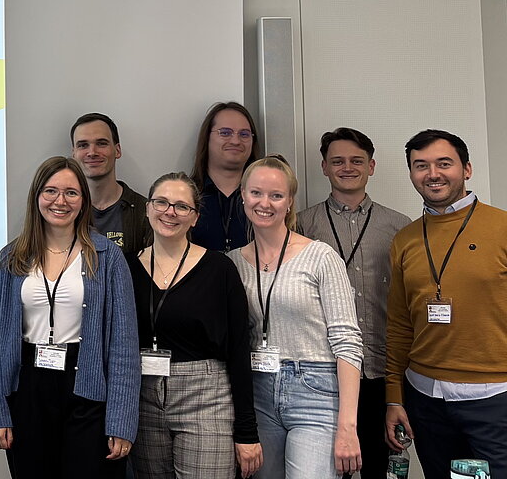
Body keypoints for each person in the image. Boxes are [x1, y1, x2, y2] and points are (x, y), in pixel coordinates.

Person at [0, 155, 139, 477]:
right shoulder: (12, 258)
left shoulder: (108, 258)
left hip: (87, 390)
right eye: (51, 191)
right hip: (27, 391)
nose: (60, 201)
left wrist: (121, 421)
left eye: (71, 192)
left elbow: (124, 346)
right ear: (37, 196)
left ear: (83, 201)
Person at [229, 155, 362, 479]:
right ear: (243, 195)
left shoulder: (320, 257)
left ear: (289, 202)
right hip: (257, 391)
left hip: (315, 390)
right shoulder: (231, 263)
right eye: (256, 193)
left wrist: (348, 426)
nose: (265, 203)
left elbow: (347, 342)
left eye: (276, 195)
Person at [384, 129, 507, 477]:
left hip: (495, 398)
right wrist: (394, 397)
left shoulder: (502, 227)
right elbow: (399, 325)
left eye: (444, 163)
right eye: (421, 165)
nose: (432, 174)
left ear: (466, 169)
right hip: (426, 399)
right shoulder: (405, 239)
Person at [128, 172, 261, 479]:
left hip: (205, 398)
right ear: (147, 208)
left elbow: (239, 350)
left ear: (195, 217)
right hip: (143, 397)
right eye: (161, 202)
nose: (170, 212)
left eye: (181, 206)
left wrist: (247, 430)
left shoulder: (219, 269)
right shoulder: (126, 267)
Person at [296, 128, 408, 479]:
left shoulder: (399, 226)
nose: (348, 168)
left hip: (381, 370)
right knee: (330, 468)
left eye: (357, 161)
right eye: (338, 161)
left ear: (371, 166)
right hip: (324, 372)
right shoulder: (301, 225)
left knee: (379, 467)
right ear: (324, 167)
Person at [71, 113, 153, 255]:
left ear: (117, 150)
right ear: (74, 154)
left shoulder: (145, 212)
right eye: (83, 145)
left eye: (101, 143)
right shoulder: (64, 209)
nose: (92, 152)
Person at [191, 102, 261, 252]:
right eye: (225, 133)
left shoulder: (265, 200)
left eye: (244, 134)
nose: (235, 141)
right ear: (207, 137)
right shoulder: (185, 197)